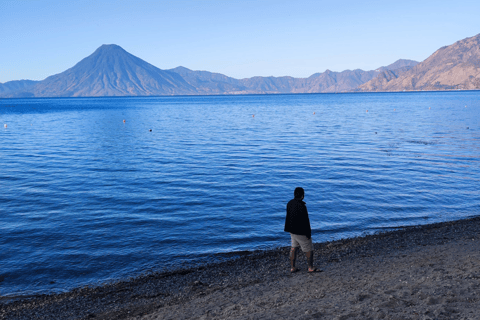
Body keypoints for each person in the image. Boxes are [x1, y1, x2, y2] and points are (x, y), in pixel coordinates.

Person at [284, 187, 321, 273]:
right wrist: (308, 234)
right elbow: (305, 222)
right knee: (308, 249)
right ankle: (310, 267)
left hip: (291, 230)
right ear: (302, 196)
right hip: (300, 232)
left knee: (294, 247)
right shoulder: (302, 206)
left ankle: (292, 267)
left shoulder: (289, 203)